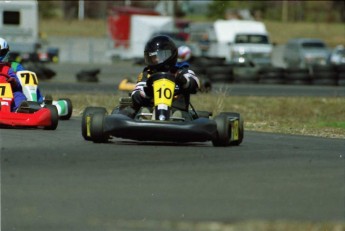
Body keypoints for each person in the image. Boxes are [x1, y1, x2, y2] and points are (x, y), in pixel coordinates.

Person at [131, 35, 200, 117]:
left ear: (169, 55)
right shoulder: (147, 74)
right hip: (152, 111)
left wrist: (184, 81)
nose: (155, 60)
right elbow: (136, 93)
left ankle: (175, 119)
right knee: (142, 111)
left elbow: (195, 84)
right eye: (152, 57)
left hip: (178, 112)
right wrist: (147, 92)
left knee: (178, 115)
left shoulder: (182, 71)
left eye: (158, 56)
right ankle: (146, 119)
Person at [0, 37, 28, 112]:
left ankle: (20, 110)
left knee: (19, 95)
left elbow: (18, 85)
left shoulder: (7, 69)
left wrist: (13, 81)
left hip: (8, 95)